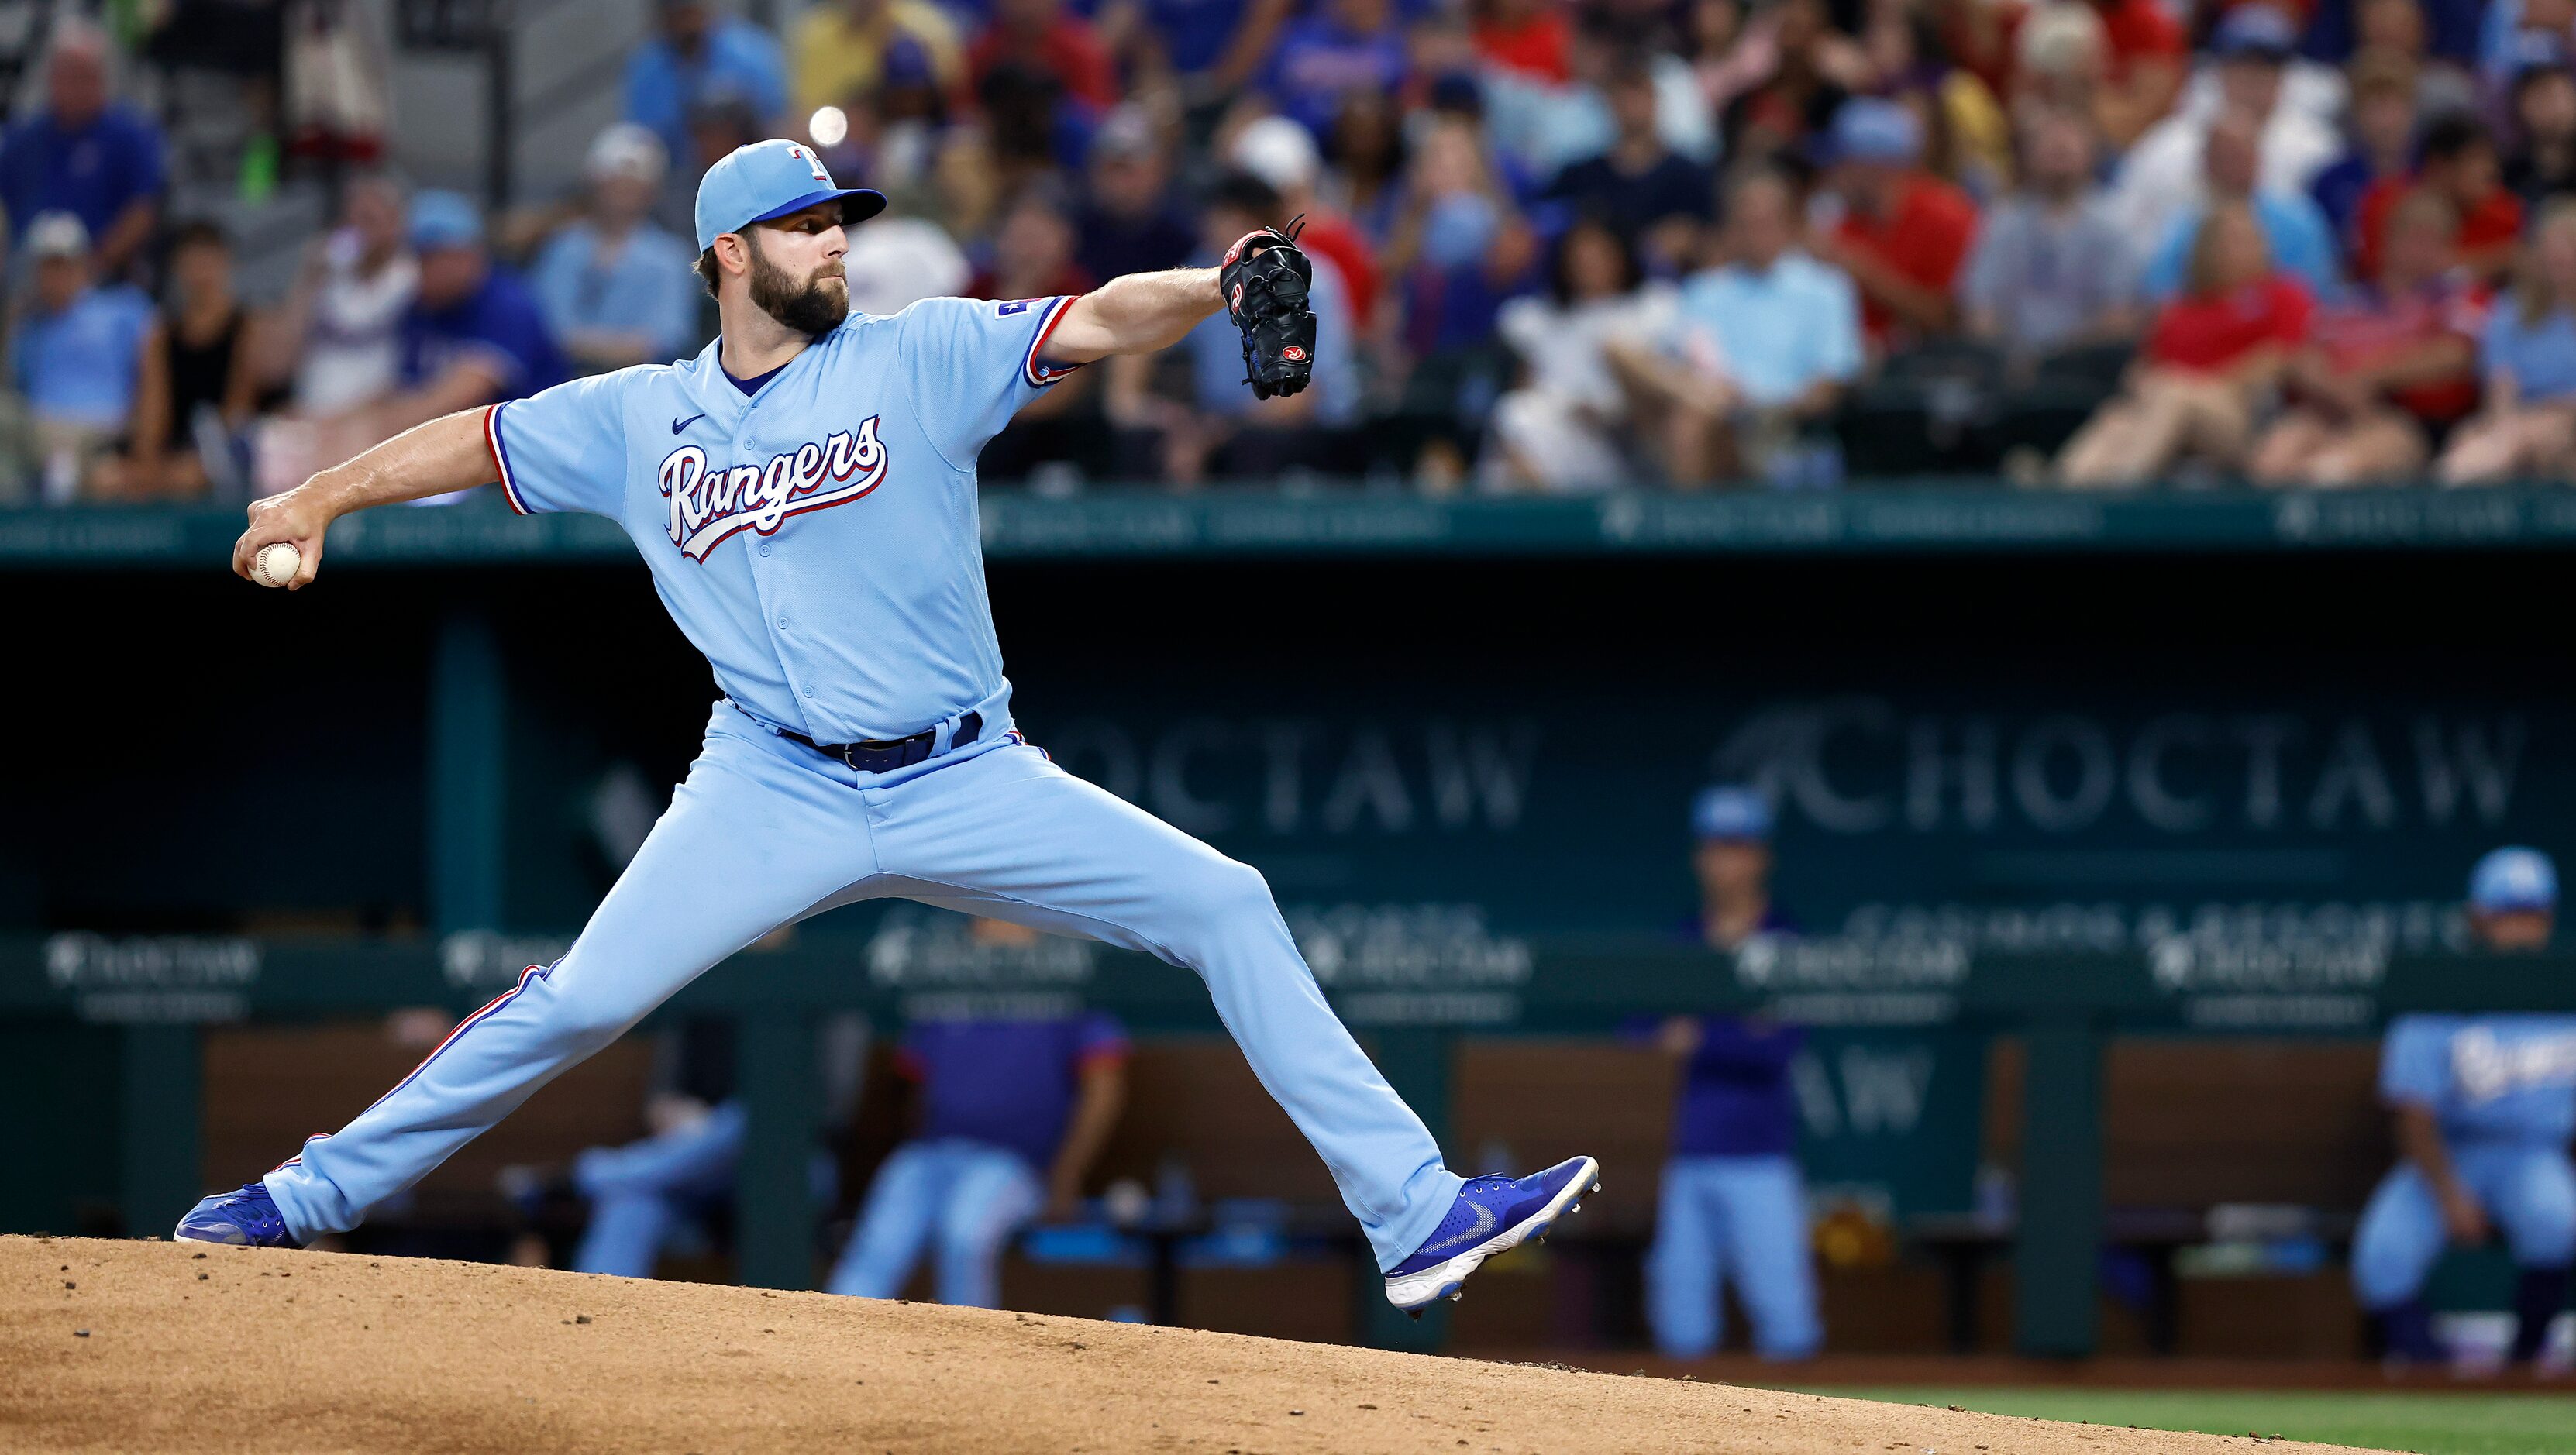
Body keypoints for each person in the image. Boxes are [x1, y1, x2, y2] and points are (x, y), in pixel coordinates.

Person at [180, 138, 1599, 1321]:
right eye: (803, 229)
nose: (836, 248)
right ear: (726, 256)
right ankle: (297, 1199)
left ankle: (1413, 1215)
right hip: (765, 781)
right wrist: (315, 500)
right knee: (578, 1001)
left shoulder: (922, 354)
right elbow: (475, 441)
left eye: (840, 224)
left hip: (966, 769)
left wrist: (1215, 282)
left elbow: (1093, 318)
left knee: (1225, 901)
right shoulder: (637, 418)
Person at [2350, 848, 2572, 1371]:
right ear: (2478, 918)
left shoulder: (2567, 990)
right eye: (2507, 913)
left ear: (2549, 917)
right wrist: (2450, 1197)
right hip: (2448, 1154)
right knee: (2381, 1256)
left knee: (2556, 1220)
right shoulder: (2440, 992)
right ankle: (2438, 1376)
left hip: (2531, 1154)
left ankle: (2522, 1367)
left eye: (2531, 913)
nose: (2520, 927)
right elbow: (2413, 1115)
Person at [828, 923, 1128, 1306]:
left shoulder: (1066, 981)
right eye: (980, 914)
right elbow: (910, 1084)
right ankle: (831, 1356)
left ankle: (969, 1363)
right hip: (930, 1154)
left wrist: (1066, 1173)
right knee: (876, 1245)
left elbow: (1104, 1089)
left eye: (1001, 914)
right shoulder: (951, 986)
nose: (986, 927)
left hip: (1012, 1164)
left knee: (964, 1235)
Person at [1644, 786, 1820, 1361]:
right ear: (1702, 857)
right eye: (1719, 847)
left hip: (1761, 1157)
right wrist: (1736, 1030)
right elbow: (1640, 1034)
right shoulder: (1684, 941)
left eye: (1740, 847)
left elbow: (1777, 1047)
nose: (1728, 861)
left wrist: (1698, 1036)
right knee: (1679, 1322)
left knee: (1787, 1324)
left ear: (1761, 856)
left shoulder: (1784, 941)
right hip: (1686, 1156)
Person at [1607, 167, 1863, 484]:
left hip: (1779, 427)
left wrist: (1774, 406)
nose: (1755, 235)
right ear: (1728, 229)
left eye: (1765, 223)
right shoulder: (1703, 290)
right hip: (1712, 409)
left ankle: (1682, 527)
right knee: (1618, 350)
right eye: (1745, 224)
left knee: (1692, 420)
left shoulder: (1826, 289)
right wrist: (1711, 392)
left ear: (1790, 226)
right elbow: (1677, 360)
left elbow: (1834, 378)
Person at [1104, 172, 1358, 484]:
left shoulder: (1309, 280)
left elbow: (1297, 400)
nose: (1212, 228)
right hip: (1223, 425)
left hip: (1311, 431)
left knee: (1252, 447)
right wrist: (1154, 413)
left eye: (1227, 218)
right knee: (1143, 442)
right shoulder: (1206, 272)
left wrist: (1212, 433)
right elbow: (1138, 340)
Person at [2057, 202, 2312, 486]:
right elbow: (2142, 369)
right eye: (2233, 241)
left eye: (2254, 239)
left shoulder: (2282, 294)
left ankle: (2123, 489)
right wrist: (2144, 383)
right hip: (2165, 411)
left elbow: (2282, 358)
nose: (2250, 248)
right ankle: (2065, 489)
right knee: (2115, 418)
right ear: (2207, 249)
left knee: (2174, 395)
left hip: (2242, 417)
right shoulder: (2179, 310)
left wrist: (2192, 384)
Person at [2247, 191, 2485, 487]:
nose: (2425, 250)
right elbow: (2303, 357)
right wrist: (2337, 389)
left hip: (2407, 421)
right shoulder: (2347, 300)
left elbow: (2454, 354)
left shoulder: (2454, 295)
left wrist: (2370, 378)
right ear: (2389, 241)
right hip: (2331, 410)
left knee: (2330, 470)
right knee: (2273, 460)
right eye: (2416, 237)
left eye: (2436, 241)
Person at [2106, 5, 2340, 255]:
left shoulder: (2317, 148)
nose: (2255, 79)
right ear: (2220, 71)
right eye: (2244, 65)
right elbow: (2125, 226)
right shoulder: (2167, 146)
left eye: (2268, 68)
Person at [1485, 218, 1673, 491]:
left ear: (1621, 256)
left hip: (1622, 444)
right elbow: (1515, 341)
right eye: (1580, 258)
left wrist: (1607, 412)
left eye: (1599, 257)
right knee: (1515, 423)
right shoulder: (1542, 318)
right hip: (1555, 433)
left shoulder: (1651, 309)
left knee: (1519, 416)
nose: (1589, 266)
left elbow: (1659, 392)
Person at [1959, 104, 2141, 363]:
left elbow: (2120, 316)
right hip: (2009, 365)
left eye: (2067, 150)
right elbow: (1979, 309)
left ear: (2091, 154)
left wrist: (2057, 359)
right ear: (2028, 155)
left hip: (2085, 366)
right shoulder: (2003, 222)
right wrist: (2007, 357)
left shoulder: (2115, 225)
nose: (2058, 155)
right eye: (2049, 148)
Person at [1808, 98, 1978, 350]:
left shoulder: (1949, 218)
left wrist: (1867, 274)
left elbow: (1953, 320)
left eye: (1841, 164)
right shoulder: (1839, 219)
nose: (1832, 175)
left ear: (1874, 167)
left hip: (1930, 365)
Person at [0, 21, 167, 278]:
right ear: (51, 79)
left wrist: (94, 265)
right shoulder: (25, 137)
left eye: (83, 77)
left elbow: (143, 208)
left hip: (102, 277)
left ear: (101, 79)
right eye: (66, 76)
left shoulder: (130, 135)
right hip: (29, 273)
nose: (73, 88)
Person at [531, 125, 703, 373]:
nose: (623, 192)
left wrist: (583, 345)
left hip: (636, 392)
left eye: (634, 184)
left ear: (651, 192)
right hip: (561, 384)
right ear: (595, 184)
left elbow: (663, 340)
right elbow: (547, 328)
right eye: (615, 182)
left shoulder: (670, 257)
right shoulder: (563, 247)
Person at [9, 212, 153, 502]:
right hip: (42, 437)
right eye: (48, 266)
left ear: (83, 265)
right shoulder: (28, 329)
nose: (57, 276)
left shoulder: (124, 309)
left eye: (64, 265)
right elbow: (20, 390)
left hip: (104, 435)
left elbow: (153, 373)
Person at [109, 219, 259, 500]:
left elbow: (239, 408)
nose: (200, 273)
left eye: (208, 262)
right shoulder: (161, 335)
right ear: (178, 268)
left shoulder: (244, 328)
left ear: (225, 264)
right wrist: (149, 462)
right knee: (107, 478)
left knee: (192, 476)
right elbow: (153, 410)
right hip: (172, 450)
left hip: (219, 451)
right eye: (192, 263)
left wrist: (204, 459)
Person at [2138, 108, 2339, 303]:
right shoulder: (2183, 224)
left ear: (2258, 157)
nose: (2233, 164)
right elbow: (2162, 294)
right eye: (2224, 154)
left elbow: (2317, 294)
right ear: (2206, 160)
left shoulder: (2300, 221)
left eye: (2243, 153)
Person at [1543, 54, 1718, 277]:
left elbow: (1717, 238)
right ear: (1609, 103)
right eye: (1622, 97)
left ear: (1655, 100)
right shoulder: (1581, 175)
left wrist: (1691, 237)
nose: (1631, 105)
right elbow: (1544, 222)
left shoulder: (1690, 175)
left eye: (1638, 94)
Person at [2440, 200, 2576, 483]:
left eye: (2569, 244)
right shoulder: (2508, 311)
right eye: (2551, 245)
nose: (2559, 255)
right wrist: (2507, 426)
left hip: (2564, 420)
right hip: (2523, 422)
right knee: (2469, 436)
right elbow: (2501, 388)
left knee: (2547, 436)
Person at [269, 172, 418, 418]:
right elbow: (276, 366)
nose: (358, 231)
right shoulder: (327, 275)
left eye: (369, 220)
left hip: (372, 421)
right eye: (351, 221)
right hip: (308, 412)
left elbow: (408, 376)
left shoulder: (411, 280)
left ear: (396, 224)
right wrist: (306, 282)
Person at [623, 0, 790, 178]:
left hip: (755, 164)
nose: (687, 22)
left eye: (691, 10)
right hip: (678, 180)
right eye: (678, 13)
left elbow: (778, 120)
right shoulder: (646, 68)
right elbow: (643, 140)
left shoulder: (749, 49)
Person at [2353, 115, 2523, 286]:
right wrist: (2495, 260)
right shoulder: (2384, 203)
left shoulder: (2504, 213)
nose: (2489, 170)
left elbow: (2520, 259)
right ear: (2439, 166)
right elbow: (2387, 271)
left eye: (2492, 159)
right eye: (2475, 159)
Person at [2309, 50, 2422, 254]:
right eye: (2375, 108)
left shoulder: (2429, 175)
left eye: (2395, 106)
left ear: (2412, 111)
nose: (2386, 121)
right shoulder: (2330, 182)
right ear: (2356, 114)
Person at [790, 0, 963, 122]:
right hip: (841, 133)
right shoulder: (817, 32)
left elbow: (954, 91)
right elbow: (808, 108)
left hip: (913, 127)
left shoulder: (923, 26)